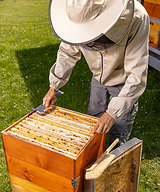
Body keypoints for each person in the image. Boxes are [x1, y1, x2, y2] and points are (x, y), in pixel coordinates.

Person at [43, 0, 149, 147]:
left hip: (124, 83)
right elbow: (67, 53)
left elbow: (137, 74)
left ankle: (112, 164)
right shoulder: (75, 15)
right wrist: (53, 86)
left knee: (117, 132)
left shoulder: (136, 17)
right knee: (93, 124)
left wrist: (112, 113)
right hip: (98, 80)